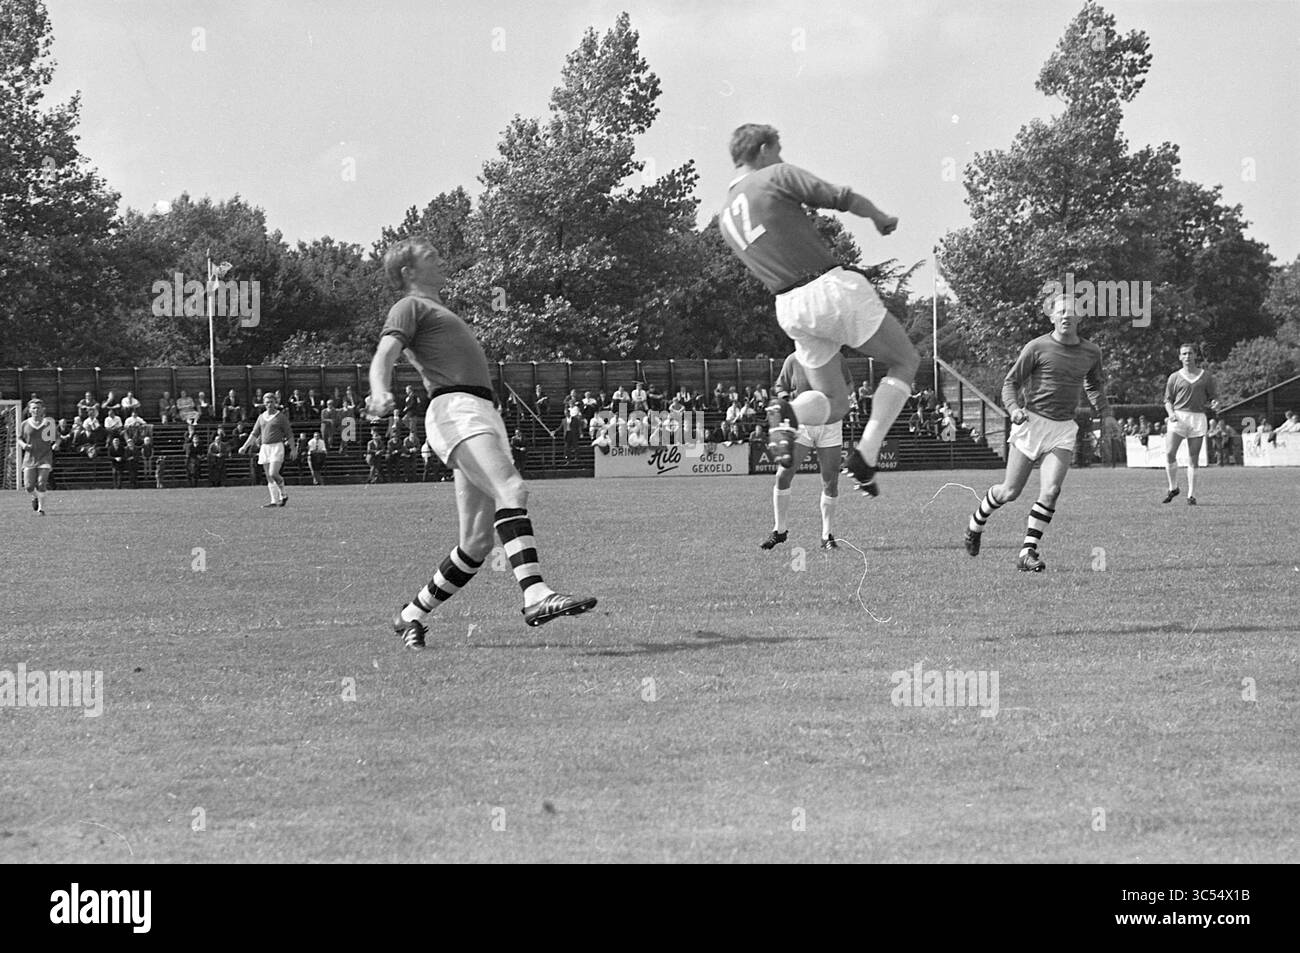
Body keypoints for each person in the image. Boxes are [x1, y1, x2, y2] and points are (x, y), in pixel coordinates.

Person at [367, 236, 595, 648]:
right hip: (457, 409)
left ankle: (410, 615)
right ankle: (535, 595)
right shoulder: (410, 306)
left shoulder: (439, 309)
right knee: (512, 489)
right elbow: (384, 353)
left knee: (475, 542)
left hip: (476, 410)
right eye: (430, 256)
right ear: (408, 272)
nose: (441, 257)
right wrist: (380, 390)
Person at [719, 124, 919, 497]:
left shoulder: (725, 217)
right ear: (763, 149)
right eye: (778, 149)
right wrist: (878, 216)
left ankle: (789, 414)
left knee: (834, 403)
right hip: (828, 288)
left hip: (789, 306)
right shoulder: (774, 175)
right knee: (905, 361)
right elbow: (839, 196)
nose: (780, 156)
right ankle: (866, 454)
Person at [963, 294, 1119, 572]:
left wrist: (1106, 415)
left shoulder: (1091, 352)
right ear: (1051, 317)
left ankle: (1027, 552)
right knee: (1009, 491)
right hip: (1032, 425)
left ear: (1080, 317)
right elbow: (1010, 383)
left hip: (1063, 429)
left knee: (1051, 490)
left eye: (1071, 312)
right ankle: (976, 523)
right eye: (1061, 312)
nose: (1066, 316)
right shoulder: (1037, 347)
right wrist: (1013, 408)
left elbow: (1094, 386)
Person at [761, 352, 853, 552]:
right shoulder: (793, 359)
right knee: (783, 474)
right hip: (801, 423)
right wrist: (789, 402)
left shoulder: (835, 357)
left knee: (831, 481)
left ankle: (826, 536)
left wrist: (839, 403)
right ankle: (779, 530)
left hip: (830, 423)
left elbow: (848, 385)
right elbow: (781, 387)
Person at [1162, 343, 1220, 505]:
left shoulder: (1206, 376)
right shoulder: (1174, 377)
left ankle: (1191, 495)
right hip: (1178, 417)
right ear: (1180, 357)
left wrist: (1215, 403)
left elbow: (1213, 397)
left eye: (1190, 353)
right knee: (1169, 453)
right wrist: (1171, 414)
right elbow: (1167, 400)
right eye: (1184, 354)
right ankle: (1173, 487)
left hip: (1197, 418)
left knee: (1193, 459)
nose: (1187, 356)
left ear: (1195, 356)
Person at [240, 392, 296, 507]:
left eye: (271, 402)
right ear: (264, 404)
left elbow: (289, 434)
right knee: (269, 476)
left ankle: (283, 494)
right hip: (265, 447)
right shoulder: (261, 417)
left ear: (275, 403)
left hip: (276, 446)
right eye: (267, 402)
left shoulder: (281, 417)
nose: (269, 404)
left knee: (273, 473)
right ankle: (274, 501)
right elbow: (254, 434)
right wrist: (245, 446)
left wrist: (293, 449)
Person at [17, 399, 59, 515]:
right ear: (30, 410)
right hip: (30, 457)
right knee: (28, 486)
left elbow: (57, 437)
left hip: (45, 456)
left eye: (38, 408)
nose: (36, 410)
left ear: (43, 410)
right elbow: (19, 438)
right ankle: (35, 497)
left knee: (41, 483)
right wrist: (24, 445)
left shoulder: (49, 423)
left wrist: (56, 444)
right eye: (34, 408)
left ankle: (41, 509)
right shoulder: (24, 424)